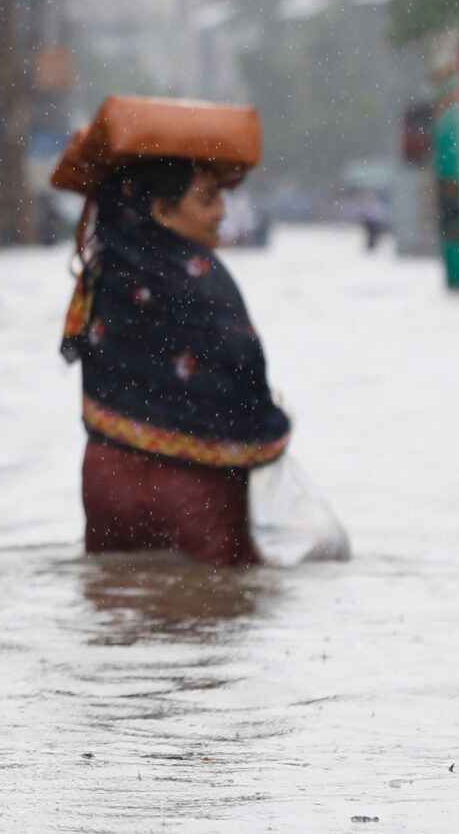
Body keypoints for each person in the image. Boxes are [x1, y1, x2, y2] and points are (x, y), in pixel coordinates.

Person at [61, 157, 290, 568]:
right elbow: (242, 368)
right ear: (162, 211)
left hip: (106, 480)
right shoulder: (202, 277)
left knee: (117, 605)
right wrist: (271, 424)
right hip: (193, 488)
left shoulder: (104, 271)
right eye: (206, 200)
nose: (221, 212)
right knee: (218, 607)